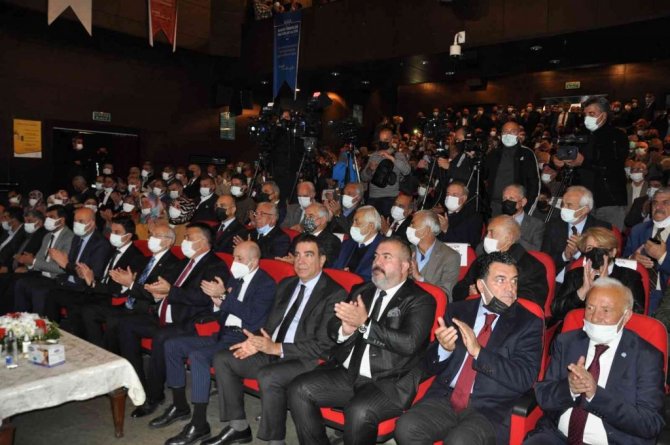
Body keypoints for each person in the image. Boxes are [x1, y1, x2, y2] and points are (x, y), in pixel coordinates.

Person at [200, 234, 346, 445]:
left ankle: (275, 440)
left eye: (308, 255)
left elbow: (323, 345)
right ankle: (238, 427)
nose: (300, 261)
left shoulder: (334, 293)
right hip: (272, 349)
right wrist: (256, 342)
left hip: (306, 358)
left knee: (269, 375)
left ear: (322, 260)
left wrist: (277, 348)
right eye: (297, 255)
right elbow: (269, 323)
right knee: (224, 358)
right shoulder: (287, 284)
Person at [288, 238, 436, 445]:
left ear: (405, 266)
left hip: (389, 380)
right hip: (349, 371)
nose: (377, 262)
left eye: (386, 257)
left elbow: (409, 344)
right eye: (376, 256)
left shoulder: (420, 300)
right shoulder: (362, 290)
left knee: (359, 411)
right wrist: (344, 330)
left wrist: (365, 324)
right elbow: (333, 325)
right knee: (298, 389)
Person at [393, 251, 543, 445]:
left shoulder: (528, 323)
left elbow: (525, 378)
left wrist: (479, 351)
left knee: (460, 441)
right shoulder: (458, 311)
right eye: (501, 280)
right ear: (481, 285)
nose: (510, 289)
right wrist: (444, 350)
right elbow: (428, 364)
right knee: (406, 427)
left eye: (514, 281)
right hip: (445, 398)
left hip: (490, 409)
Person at [153, 241, 277, 445]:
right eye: (234, 257)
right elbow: (224, 312)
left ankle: (199, 423)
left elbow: (253, 317)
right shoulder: (234, 278)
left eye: (239, 258)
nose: (234, 262)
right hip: (223, 334)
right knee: (172, 345)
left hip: (243, 338)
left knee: (198, 357)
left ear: (254, 261)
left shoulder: (266, 284)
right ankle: (179, 405)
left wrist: (224, 297)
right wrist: (218, 304)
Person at [524, 278, 665, 445]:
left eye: (606, 310)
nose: (595, 318)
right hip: (558, 437)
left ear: (626, 316)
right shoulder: (567, 342)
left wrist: (595, 395)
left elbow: (650, 423)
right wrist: (569, 388)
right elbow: (543, 395)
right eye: (590, 308)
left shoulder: (646, 356)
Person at [118, 223, 230, 416]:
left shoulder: (215, 265)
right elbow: (163, 286)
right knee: (126, 325)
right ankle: (136, 382)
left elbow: (203, 298)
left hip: (189, 321)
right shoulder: (184, 262)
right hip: (164, 315)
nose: (183, 241)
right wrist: (151, 289)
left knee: (162, 337)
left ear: (203, 242)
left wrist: (170, 291)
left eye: (188, 238)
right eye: (184, 237)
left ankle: (154, 396)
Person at [81, 224, 181, 355]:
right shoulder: (141, 260)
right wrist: (95, 283)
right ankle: (97, 352)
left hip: (146, 311)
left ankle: (111, 358)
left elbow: (154, 294)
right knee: (89, 311)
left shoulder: (174, 264)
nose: (151, 238)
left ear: (169, 241)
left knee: (114, 320)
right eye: (151, 235)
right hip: (127, 304)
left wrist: (131, 284)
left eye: (157, 236)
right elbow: (121, 287)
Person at [56, 215, 146, 337]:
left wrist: (93, 283)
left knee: (87, 310)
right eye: (112, 231)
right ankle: (80, 340)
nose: (112, 235)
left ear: (128, 236)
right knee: (72, 302)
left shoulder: (136, 257)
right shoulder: (112, 250)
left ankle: (95, 344)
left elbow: (117, 289)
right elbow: (100, 274)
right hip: (99, 291)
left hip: (113, 298)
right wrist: (88, 276)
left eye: (117, 232)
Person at [14, 207, 111, 317]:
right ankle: (23, 321)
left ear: (92, 223)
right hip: (66, 281)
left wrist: (65, 264)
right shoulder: (77, 238)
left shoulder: (101, 244)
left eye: (81, 221)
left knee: (43, 293)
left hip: (82, 287)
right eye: (75, 221)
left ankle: (43, 325)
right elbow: (69, 265)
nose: (76, 224)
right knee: (24, 284)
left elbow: (91, 273)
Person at [554, 96, 628, 229]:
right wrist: (561, 161)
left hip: (608, 200)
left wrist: (583, 162)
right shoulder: (581, 135)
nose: (587, 117)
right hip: (583, 200)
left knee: (607, 238)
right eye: (585, 114)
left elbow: (613, 167)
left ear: (603, 115)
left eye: (591, 114)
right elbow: (570, 155)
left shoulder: (617, 136)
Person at [552, 227, 645, 322]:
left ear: (612, 252)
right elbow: (556, 310)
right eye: (589, 248)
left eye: (600, 247)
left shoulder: (630, 277)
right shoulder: (574, 275)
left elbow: (636, 313)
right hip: (577, 327)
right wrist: (583, 290)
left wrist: (606, 287)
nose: (595, 252)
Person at [454, 215, 548, 307]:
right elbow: (458, 289)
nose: (486, 237)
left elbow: (530, 303)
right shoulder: (481, 261)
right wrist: (469, 293)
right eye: (487, 233)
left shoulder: (532, 267)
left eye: (491, 233)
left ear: (508, 238)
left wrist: (485, 295)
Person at [541, 186, 611, 277]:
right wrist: (565, 255)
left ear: (584, 210)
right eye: (563, 204)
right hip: (556, 279)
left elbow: (601, 263)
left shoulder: (601, 228)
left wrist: (578, 252)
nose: (563, 208)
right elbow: (544, 260)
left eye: (569, 205)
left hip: (585, 280)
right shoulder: (552, 225)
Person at [623, 187, 670, 313]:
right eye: (655, 203)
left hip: (665, 294)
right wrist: (632, 259)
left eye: (665, 203)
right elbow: (621, 262)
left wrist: (662, 257)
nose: (658, 207)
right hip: (637, 289)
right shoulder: (638, 230)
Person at [484, 121, 540, 216]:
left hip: (515, 206)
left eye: (512, 131)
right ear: (501, 134)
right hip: (493, 205)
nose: (508, 134)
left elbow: (534, 183)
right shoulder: (494, 153)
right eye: (505, 131)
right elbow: (484, 175)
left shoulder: (527, 154)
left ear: (518, 134)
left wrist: (527, 210)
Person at [407, 210, 461, 300]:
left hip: (430, 305)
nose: (409, 228)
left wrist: (419, 278)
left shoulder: (450, 256)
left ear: (427, 230)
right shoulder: (407, 251)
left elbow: (445, 294)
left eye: (413, 225)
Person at [360, 128, 411, 218]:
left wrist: (391, 158)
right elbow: (363, 178)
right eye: (381, 140)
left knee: (387, 223)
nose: (383, 142)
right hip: (373, 197)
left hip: (391, 197)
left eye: (386, 140)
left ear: (391, 141)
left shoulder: (398, 155)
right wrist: (370, 169)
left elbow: (407, 171)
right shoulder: (374, 155)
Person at [332, 205, 384, 281]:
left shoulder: (383, 249)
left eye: (357, 222)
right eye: (353, 222)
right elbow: (333, 268)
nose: (353, 226)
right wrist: (341, 274)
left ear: (371, 226)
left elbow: (376, 279)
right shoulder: (347, 243)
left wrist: (350, 277)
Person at [436, 181, 484, 248]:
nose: (449, 197)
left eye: (454, 195)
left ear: (464, 198)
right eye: (447, 194)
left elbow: (469, 243)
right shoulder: (441, 215)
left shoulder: (473, 218)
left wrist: (446, 229)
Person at [500, 184, 545, 251]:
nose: (507, 202)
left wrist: (515, 237)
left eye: (511, 198)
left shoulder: (536, 225)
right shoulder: (497, 221)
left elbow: (536, 250)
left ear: (523, 202)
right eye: (504, 198)